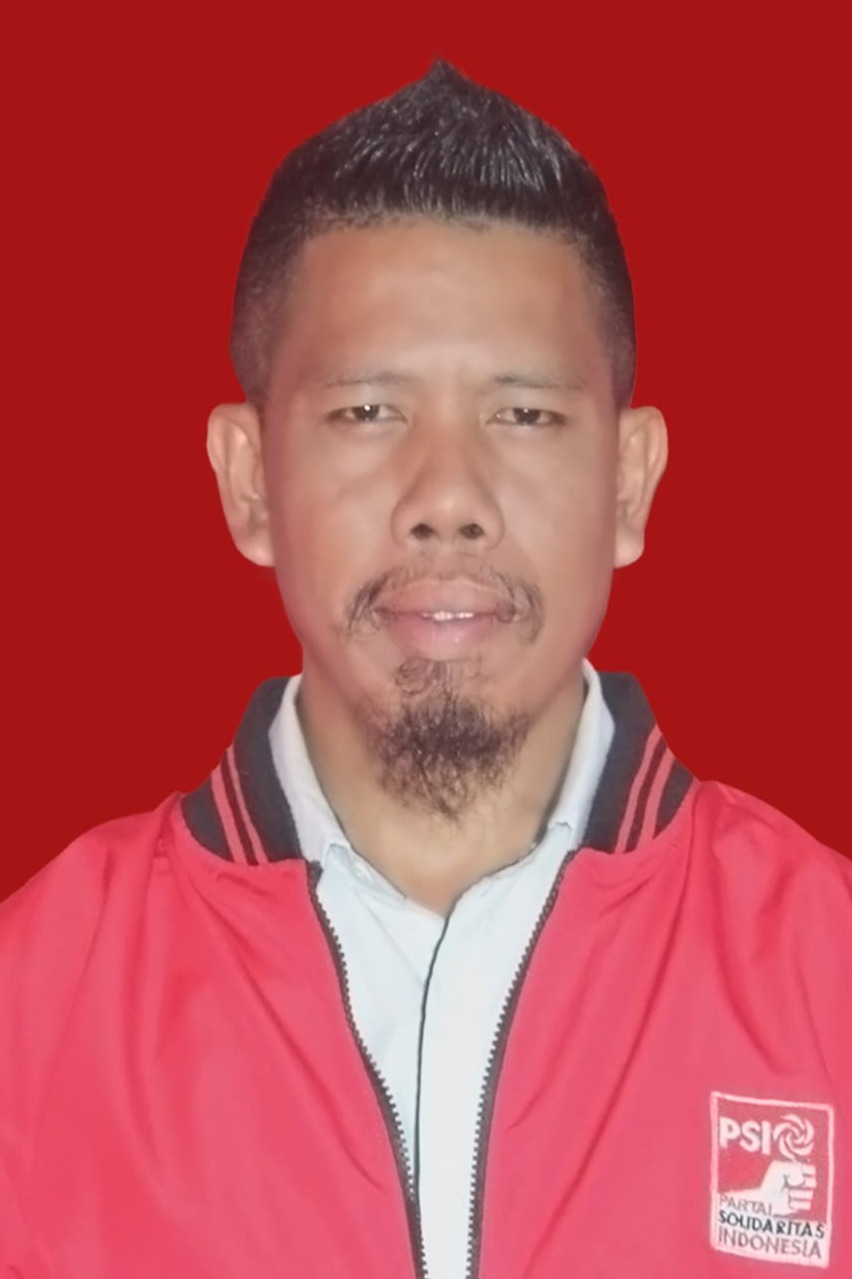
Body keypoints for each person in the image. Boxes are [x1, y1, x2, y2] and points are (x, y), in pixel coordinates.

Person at [1, 61, 849, 1279]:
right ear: (248, 480)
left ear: (629, 482)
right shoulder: (32, 1008)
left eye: (524, 416)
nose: (447, 498)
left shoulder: (831, 976)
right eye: (367, 412)